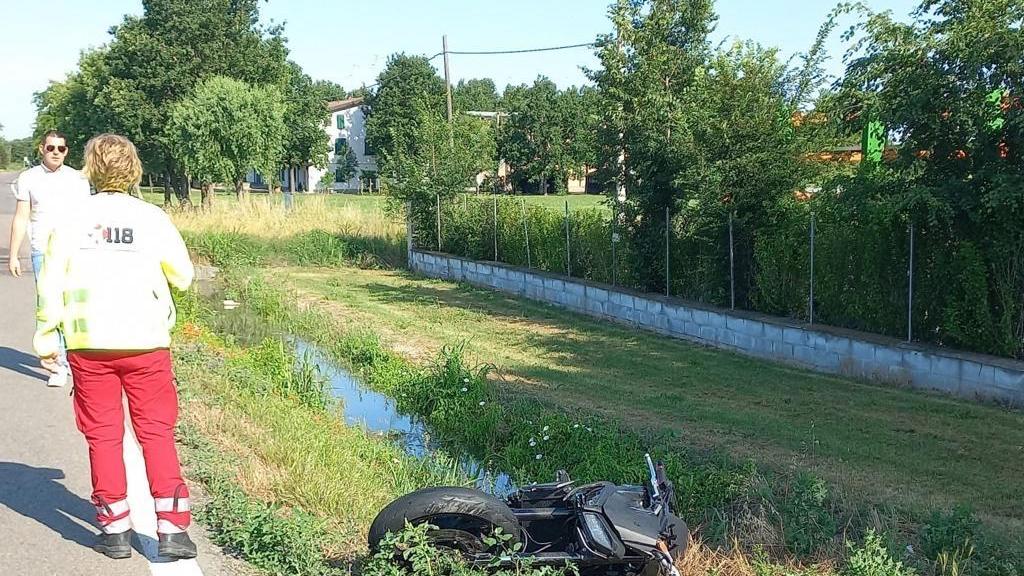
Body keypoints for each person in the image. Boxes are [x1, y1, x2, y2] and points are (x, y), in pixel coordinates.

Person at [34, 133, 197, 560]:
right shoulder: (152, 218)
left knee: (103, 436)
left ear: (90, 167)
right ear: (133, 169)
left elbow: (49, 284)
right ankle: (173, 529)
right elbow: (183, 275)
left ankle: (115, 529)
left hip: (89, 346)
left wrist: (46, 337)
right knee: (156, 433)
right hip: (146, 344)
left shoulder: (70, 221)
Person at [8, 130, 91, 387]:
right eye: (51, 148)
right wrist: (14, 255)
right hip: (42, 250)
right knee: (48, 308)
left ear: (67, 151)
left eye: (61, 148)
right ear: (41, 149)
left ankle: (72, 361)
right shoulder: (29, 178)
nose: (56, 152)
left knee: (72, 306)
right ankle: (56, 365)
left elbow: (88, 217)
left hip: (74, 251)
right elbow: (22, 217)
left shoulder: (78, 179)